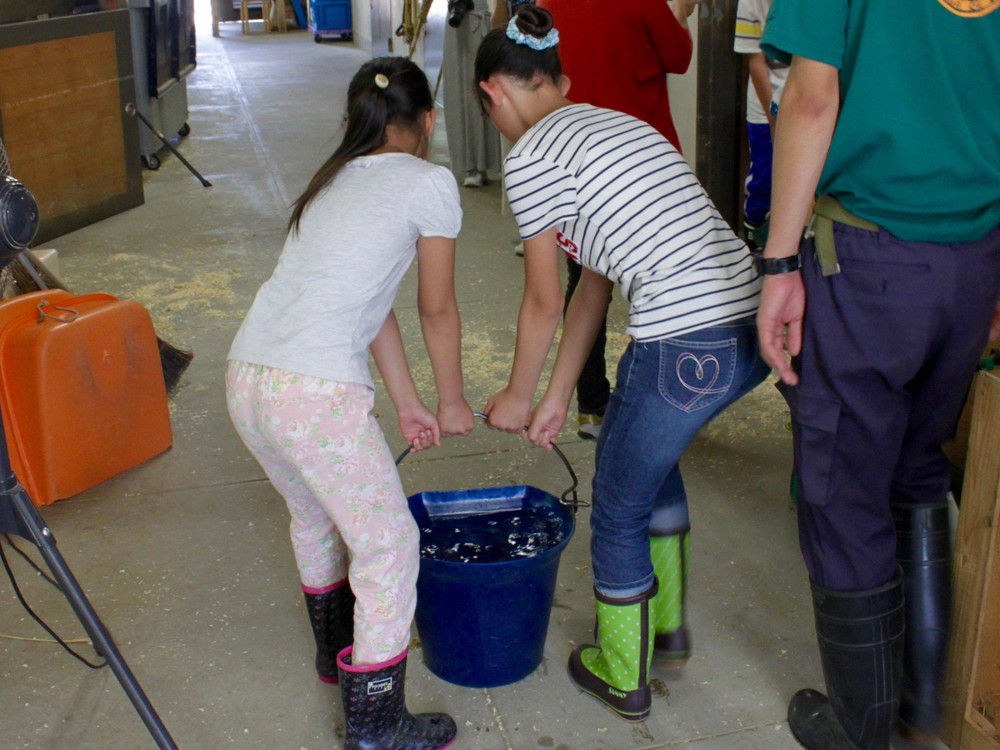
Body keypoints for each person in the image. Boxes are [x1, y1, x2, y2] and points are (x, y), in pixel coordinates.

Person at [476, 6, 769, 722]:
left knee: (615, 503)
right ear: (561, 80)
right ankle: (665, 630)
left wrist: (515, 394)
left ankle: (622, 670)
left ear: (493, 93)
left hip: (684, 343)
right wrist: (556, 399)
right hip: (751, 325)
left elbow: (544, 299)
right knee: (649, 460)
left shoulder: (531, 159)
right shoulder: (614, 125)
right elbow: (592, 291)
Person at [756, 2, 1000, 749]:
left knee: (842, 486)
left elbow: (811, 98)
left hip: (869, 257)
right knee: (918, 468)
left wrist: (779, 262)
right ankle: (922, 705)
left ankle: (858, 726)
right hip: (975, 256)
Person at [225, 57, 474, 750]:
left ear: (356, 118)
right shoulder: (429, 181)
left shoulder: (331, 178)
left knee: (313, 516)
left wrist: (409, 403)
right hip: (314, 394)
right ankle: (377, 726)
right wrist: (452, 401)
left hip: (249, 378)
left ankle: (333, 656)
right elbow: (435, 307)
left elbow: (374, 304)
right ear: (428, 120)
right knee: (389, 545)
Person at [536, 0, 698, 441]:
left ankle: (591, 407)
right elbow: (679, 57)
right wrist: (682, 11)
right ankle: (667, 402)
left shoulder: (550, 3)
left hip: (577, 159)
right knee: (658, 288)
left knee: (586, 284)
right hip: (644, 161)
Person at [732, 0, 786, 250]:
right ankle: (756, 238)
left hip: (807, 102)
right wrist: (773, 117)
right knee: (765, 177)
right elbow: (755, 60)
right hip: (765, 105)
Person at [443, 0, 501, 187]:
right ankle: (470, 166)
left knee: (481, 87)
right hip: (456, 24)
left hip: (479, 22)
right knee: (458, 90)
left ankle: (486, 163)